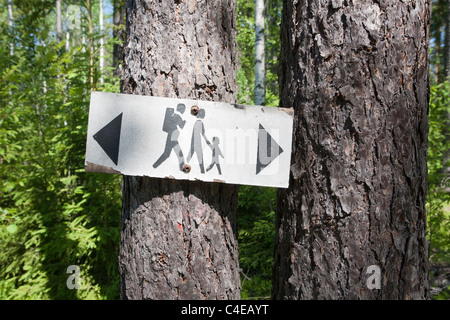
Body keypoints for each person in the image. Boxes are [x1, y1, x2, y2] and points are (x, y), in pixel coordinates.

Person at [153, 104, 186, 171]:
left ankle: (154, 166)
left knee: (166, 154)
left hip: (171, 136)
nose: (185, 110)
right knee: (178, 154)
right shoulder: (178, 116)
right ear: (181, 109)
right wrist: (184, 122)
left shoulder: (173, 115)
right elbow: (181, 126)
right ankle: (182, 170)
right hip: (173, 137)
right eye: (184, 109)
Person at [186, 109, 211, 173]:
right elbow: (203, 134)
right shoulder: (199, 122)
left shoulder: (197, 122)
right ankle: (202, 171)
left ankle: (202, 171)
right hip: (197, 142)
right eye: (204, 113)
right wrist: (208, 142)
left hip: (195, 141)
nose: (205, 115)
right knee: (199, 157)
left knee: (191, 156)